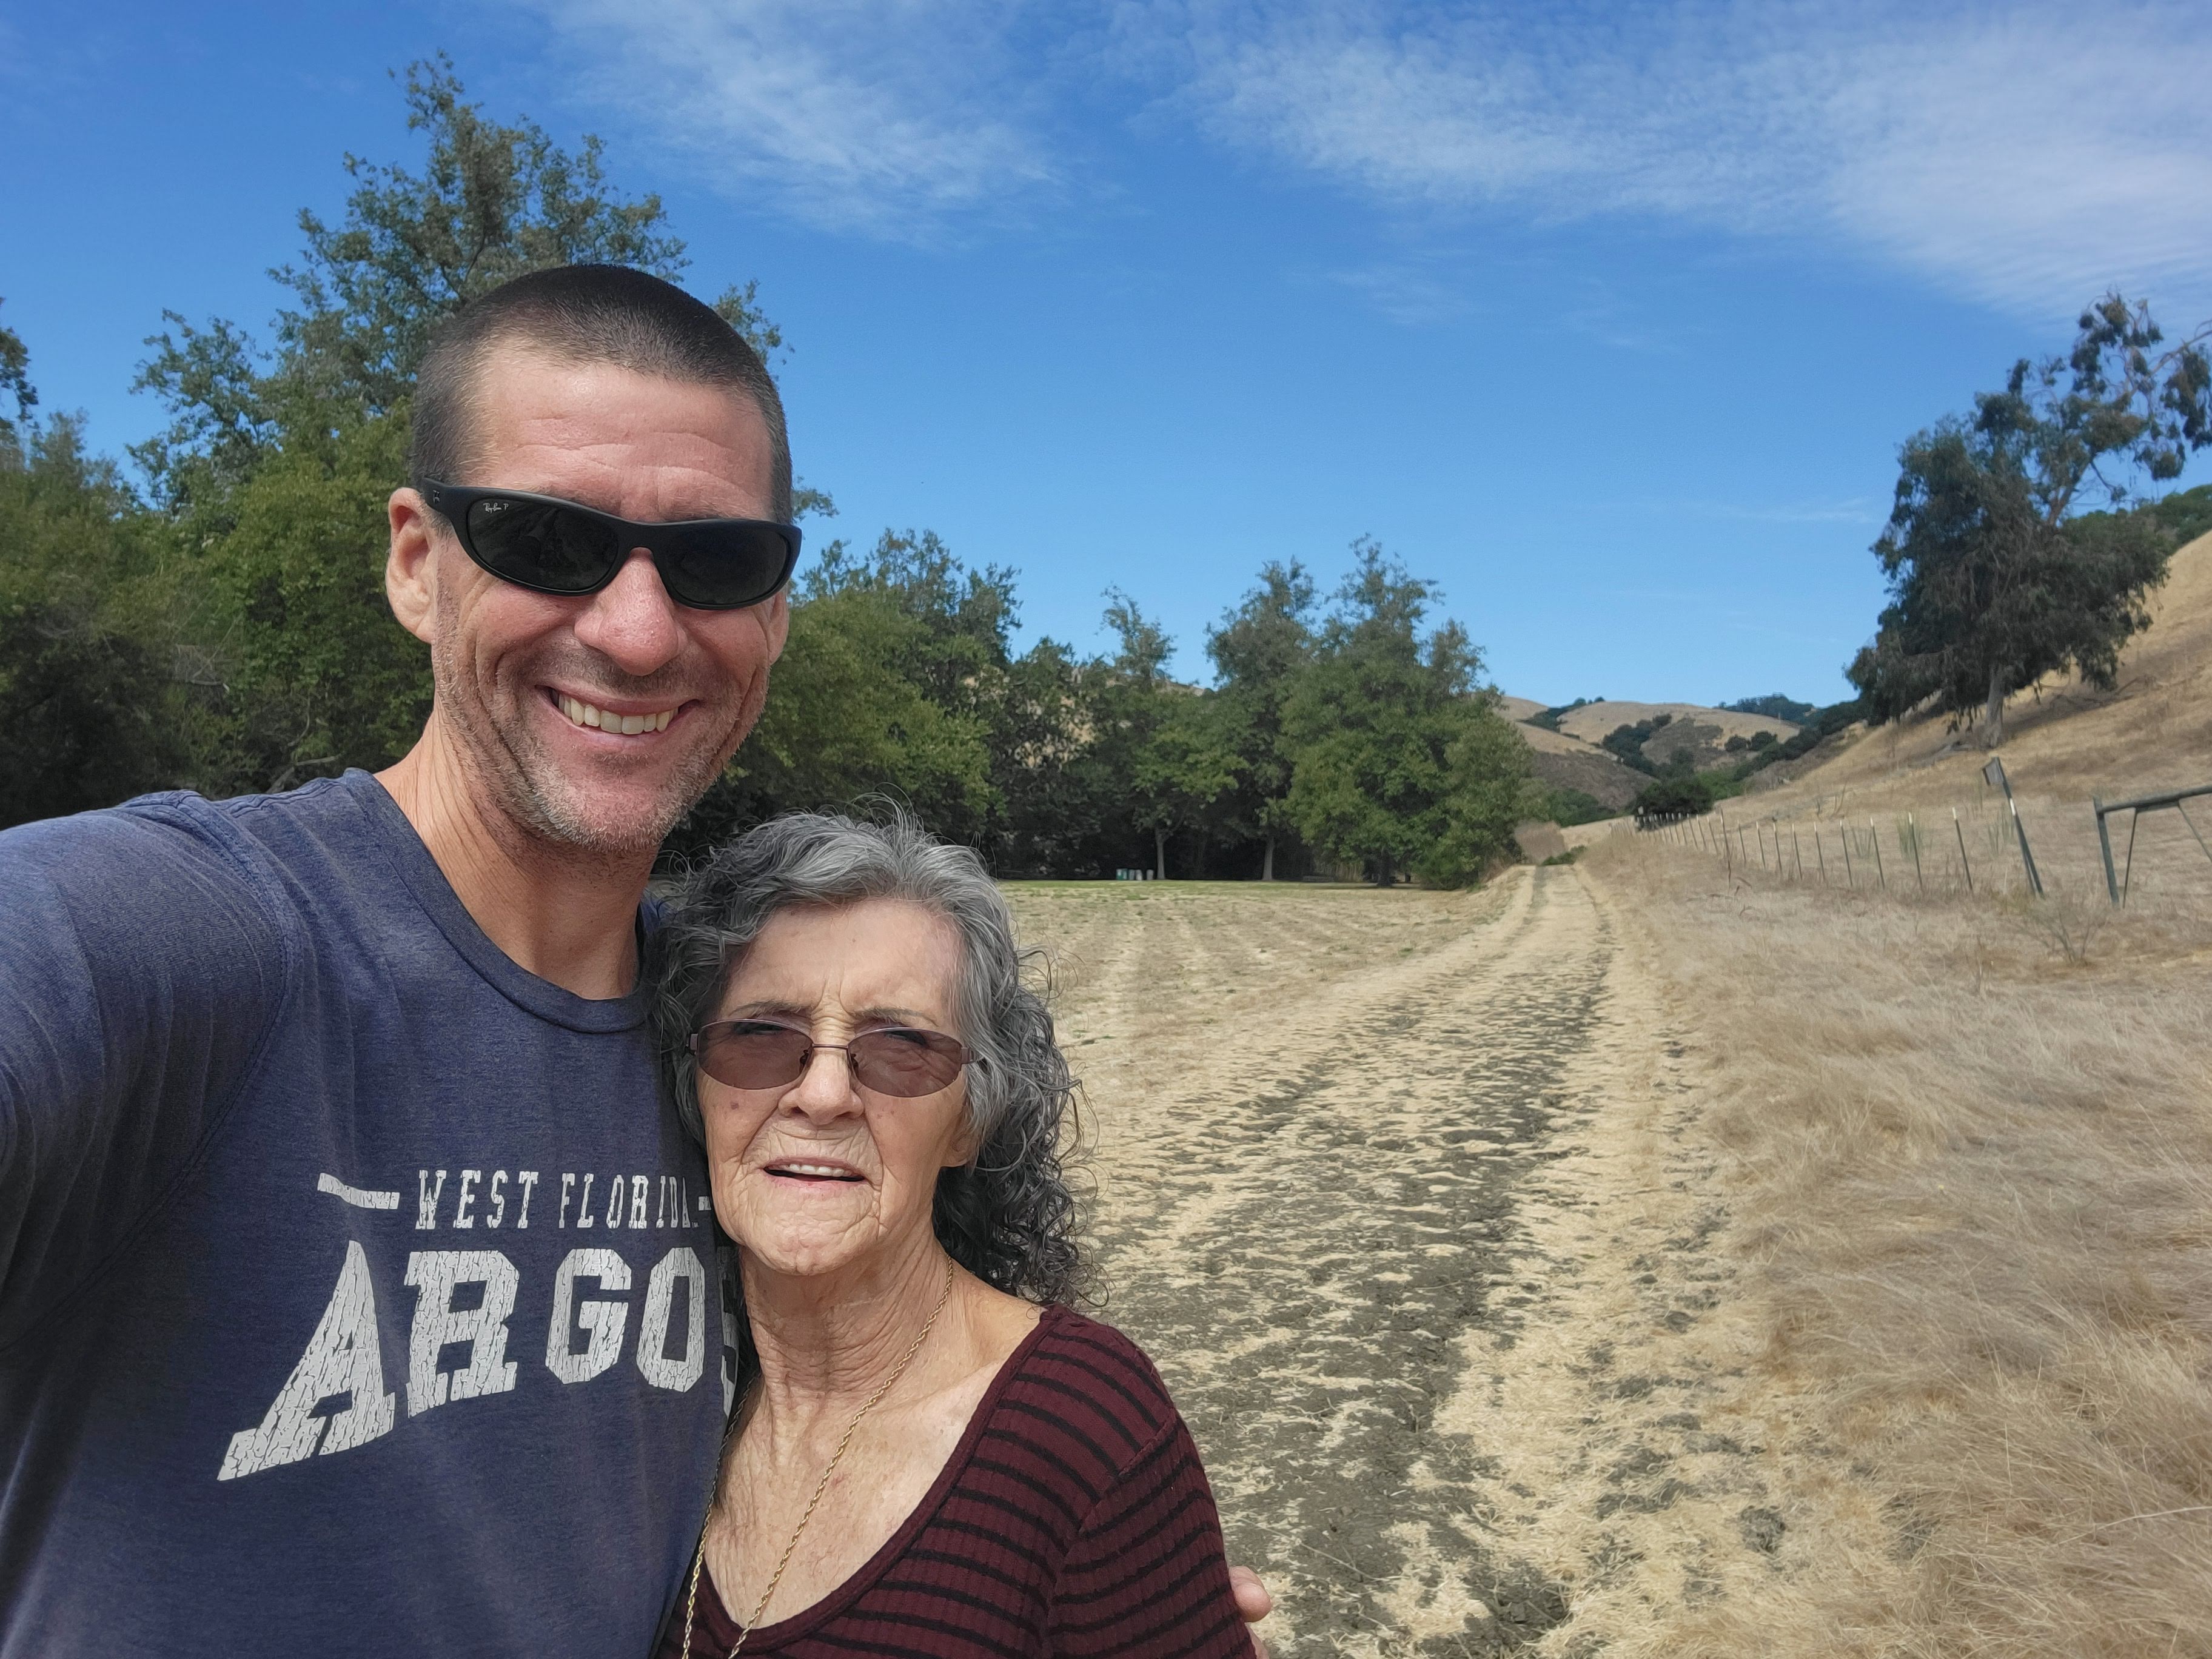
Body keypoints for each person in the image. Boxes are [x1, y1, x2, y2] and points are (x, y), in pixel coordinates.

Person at [0, 262, 1275, 1656]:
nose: (636, 628)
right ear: (419, 563)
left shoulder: (733, 1036)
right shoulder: (199, 939)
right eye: (549, 541)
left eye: (716, 562)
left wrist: (1104, 1577)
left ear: (774, 619)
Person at [648, 811, 1250, 1658]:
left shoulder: (1087, 1435)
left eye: (900, 1047)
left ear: (970, 1121)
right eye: (759, 1036)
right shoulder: (654, 1401)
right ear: (697, 1090)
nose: (822, 1095)